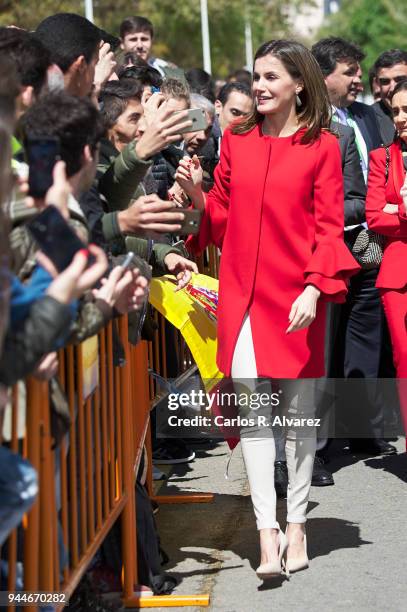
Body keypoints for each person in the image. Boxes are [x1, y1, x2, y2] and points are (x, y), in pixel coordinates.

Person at [176, 39, 359, 578]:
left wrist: (313, 288)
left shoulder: (324, 146)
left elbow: (329, 227)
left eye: (270, 76)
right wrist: (197, 196)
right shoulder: (235, 141)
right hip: (242, 296)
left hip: (298, 297)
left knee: (299, 420)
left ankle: (297, 521)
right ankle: (266, 531)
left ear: (299, 84)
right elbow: (223, 217)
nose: (258, 85)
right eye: (256, 76)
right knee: (255, 411)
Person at [312, 37, 396, 456]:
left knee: (365, 338)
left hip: (370, 243)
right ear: (323, 75)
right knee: (325, 348)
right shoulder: (308, 123)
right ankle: (321, 449)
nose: (358, 79)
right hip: (326, 247)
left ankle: (364, 430)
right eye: (350, 72)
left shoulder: (370, 117)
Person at [365, 78, 407, 436]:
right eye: (395, 111)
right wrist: (403, 209)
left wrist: (399, 207)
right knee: (404, 361)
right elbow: (375, 216)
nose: (401, 118)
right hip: (398, 274)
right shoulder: (382, 158)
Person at [372, 49, 407, 145]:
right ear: (377, 83)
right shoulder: (368, 119)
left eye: (400, 79)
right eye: (385, 81)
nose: (392, 88)